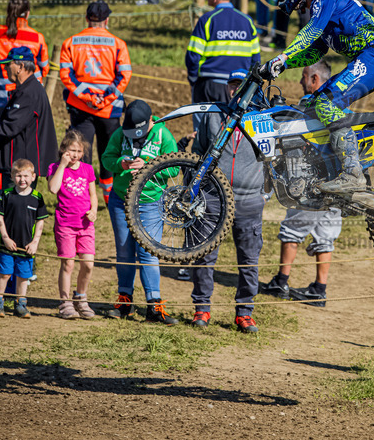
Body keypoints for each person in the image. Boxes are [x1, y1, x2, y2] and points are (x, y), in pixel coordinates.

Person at [257, 0, 374, 194]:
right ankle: (327, 168)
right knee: (314, 103)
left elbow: (310, 33)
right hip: (371, 58)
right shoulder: (320, 8)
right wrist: (281, 65)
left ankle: (352, 172)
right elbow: (314, 53)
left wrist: (281, 57)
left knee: (325, 103)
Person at [259, 60, 343, 307]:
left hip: (311, 182)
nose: (300, 81)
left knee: (291, 230)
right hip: (339, 182)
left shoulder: (312, 105)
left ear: (315, 79)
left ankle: (281, 281)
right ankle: (319, 289)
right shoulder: (340, 103)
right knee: (326, 235)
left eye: (304, 76)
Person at [189, 71, 266, 331]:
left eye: (241, 85)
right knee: (204, 255)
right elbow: (198, 151)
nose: (236, 90)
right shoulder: (212, 115)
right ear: (227, 88)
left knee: (248, 260)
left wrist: (263, 193)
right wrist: (196, 186)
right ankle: (201, 309)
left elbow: (273, 159)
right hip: (213, 197)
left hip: (249, 200)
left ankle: (244, 312)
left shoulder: (262, 120)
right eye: (233, 85)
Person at [101, 100, 178, 324]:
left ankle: (154, 306)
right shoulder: (119, 134)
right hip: (120, 200)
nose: (136, 137)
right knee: (124, 252)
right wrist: (121, 164)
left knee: (148, 253)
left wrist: (148, 164)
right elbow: (106, 159)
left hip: (150, 201)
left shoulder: (163, 135)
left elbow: (174, 168)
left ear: (150, 121)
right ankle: (124, 301)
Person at [59, 0, 132, 201]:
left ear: (86, 19)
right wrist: (105, 98)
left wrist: (87, 97)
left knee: (81, 154)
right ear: (107, 20)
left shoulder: (71, 42)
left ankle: (82, 197)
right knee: (109, 154)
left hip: (81, 108)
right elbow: (124, 75)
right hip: (109, 109)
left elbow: (66, 75)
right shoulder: (118, 44)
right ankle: (109, 198)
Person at [0, 46, 59, 189]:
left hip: (21, 168)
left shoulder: (28, 93)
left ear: (20, 66)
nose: (5, 69)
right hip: (20, 164)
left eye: (8, 64)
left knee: (16, 208)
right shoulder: (27, 89)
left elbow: (8, 129)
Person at [185, 0, 261, 128]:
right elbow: (256, 60)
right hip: (239, 87)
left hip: (209, 85)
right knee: (234, 134)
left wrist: (193, 80)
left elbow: (193, 56)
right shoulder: (247, 21)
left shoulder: (207, 19)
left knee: (203, 133)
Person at [47, 130, 97, 320]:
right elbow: (53, 188)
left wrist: (94, 210)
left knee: (88, 264)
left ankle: (81, 298)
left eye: (78, 151)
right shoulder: (54, 167)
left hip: (85, 225)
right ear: (63, 150)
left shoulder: (88, 169)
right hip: (65, 224)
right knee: (67, 263)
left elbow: (93, 195)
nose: (75, 154)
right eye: (71, 150)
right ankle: (65, 302)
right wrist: (62, 164)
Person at [0, 159, 47, 318]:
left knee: (23, 277)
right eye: (18, 176)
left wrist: (35, 242)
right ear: (12, 176)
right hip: (8, 246)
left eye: (26, 176)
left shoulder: (37, 197)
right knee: (4, 274)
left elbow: (40, 222)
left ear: (33, 177)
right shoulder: (7, 194)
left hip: (27, 247)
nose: (22, 180)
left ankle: (21, 304)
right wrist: (5, 238)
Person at [0, 0, 49, 110]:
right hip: (31, 96)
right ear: (28, 14)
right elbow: (45, 70)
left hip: (3, 98)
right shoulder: (37, 38)